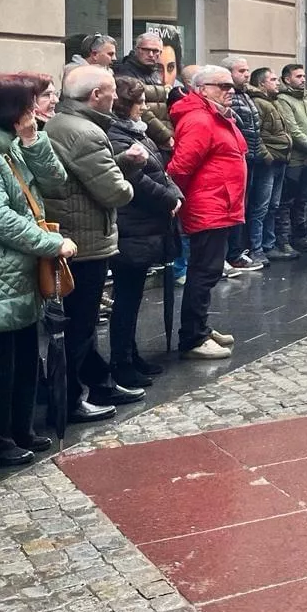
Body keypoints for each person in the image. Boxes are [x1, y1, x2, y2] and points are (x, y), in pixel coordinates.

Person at [42, 66, 139, 419]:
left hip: (74, 235)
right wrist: (131, 168)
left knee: (80, 323)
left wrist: (118, 163)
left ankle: (97, 382)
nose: (116, 97)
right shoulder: (85, 132)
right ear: (96, 95)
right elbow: (114, 192)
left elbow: (85, 176)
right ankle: (69, 400)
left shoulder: (61, 124)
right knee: (80, 325)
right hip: (85, 241)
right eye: (111, 90)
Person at [0, 74, 75, 461]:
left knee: (26, 356)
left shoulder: (14, 146)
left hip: (21, 273)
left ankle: (21, 429)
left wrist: (33, 141)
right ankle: (2, 439)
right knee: (4, 363)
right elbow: (1, 218)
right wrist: (51, 243)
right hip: (5, 274)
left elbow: (56, 182)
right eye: (30, 104)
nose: (36, 110)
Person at [165, 66, 247, 360]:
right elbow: (180, 168)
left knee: (207, 270)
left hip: (220, 204)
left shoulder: (214, 116)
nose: (230, 91)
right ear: (202, 89)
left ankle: (200, 327)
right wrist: (178, 199)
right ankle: (193, 337)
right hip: (209, 205)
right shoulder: (199, 119)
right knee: (203, 271)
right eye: (223, 86)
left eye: (231, 86)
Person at [105, 77, 181, 388]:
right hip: (131, 226)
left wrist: (175, 194)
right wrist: (169, 199)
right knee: (126, 298)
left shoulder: (136, 131)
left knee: (133, 295)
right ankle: (121, 360)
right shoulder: (117, 135)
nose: (144, 108)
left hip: (144, 225)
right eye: (139, 103)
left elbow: (160, 171)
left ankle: (130, 353)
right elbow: (136, 180)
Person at [220, 57, 265, 275]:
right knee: (233, 209)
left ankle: (236, 252)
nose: (247, 74)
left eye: (247, 70)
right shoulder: (230, 98)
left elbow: (254, 128)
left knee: (243, 208)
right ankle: (231, 254)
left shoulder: (246, 95)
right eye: (241, 71)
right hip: (238, 158)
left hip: (250, 157)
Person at [245, 67, 295, 263]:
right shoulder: (259, 103)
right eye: (273, 80)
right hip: (269, 162)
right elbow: (256, 134)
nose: (277, 83)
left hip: (280, 159)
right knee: (261, 206)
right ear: (261, 84)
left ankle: (269, 245)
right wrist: (267, 156)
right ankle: (257, 248)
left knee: (273, 206)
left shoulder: (273, 102)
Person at [276, 63, 307, 253]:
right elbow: (293, 130)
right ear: (287, 79)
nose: (303, 79)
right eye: (298, 76)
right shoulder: (284, 100)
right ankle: (284, 239)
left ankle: (300, 237)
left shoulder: (305, 99)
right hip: (293, 158)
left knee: (302, 199)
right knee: (287, 201)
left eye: (304, 76)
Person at [112, 29, 174, 150]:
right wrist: (165, 136)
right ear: (136, 49)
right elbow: (139, 109)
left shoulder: (154, 72)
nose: (151, 54)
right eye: (146, 50)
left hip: (157, 137)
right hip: (142, 137)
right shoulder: (125, 73)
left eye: (155, 51)